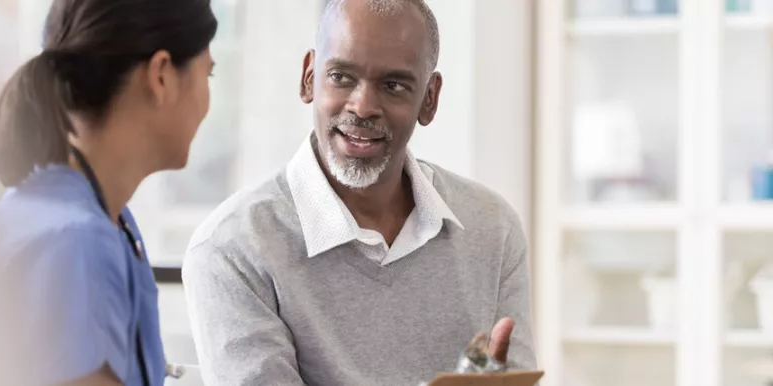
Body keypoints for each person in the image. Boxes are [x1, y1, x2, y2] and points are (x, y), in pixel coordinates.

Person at [182, 0, 536, 385]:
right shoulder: (233, 249)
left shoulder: (492, 228)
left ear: (429, 99)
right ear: (308, 77)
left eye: (393, 85)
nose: (363, 106)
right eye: (341, 77)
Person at [0, 0, 217, 385]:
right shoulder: (76, 244)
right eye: (209, 72)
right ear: (161, 76)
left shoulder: (89, 218)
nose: (207, 100)